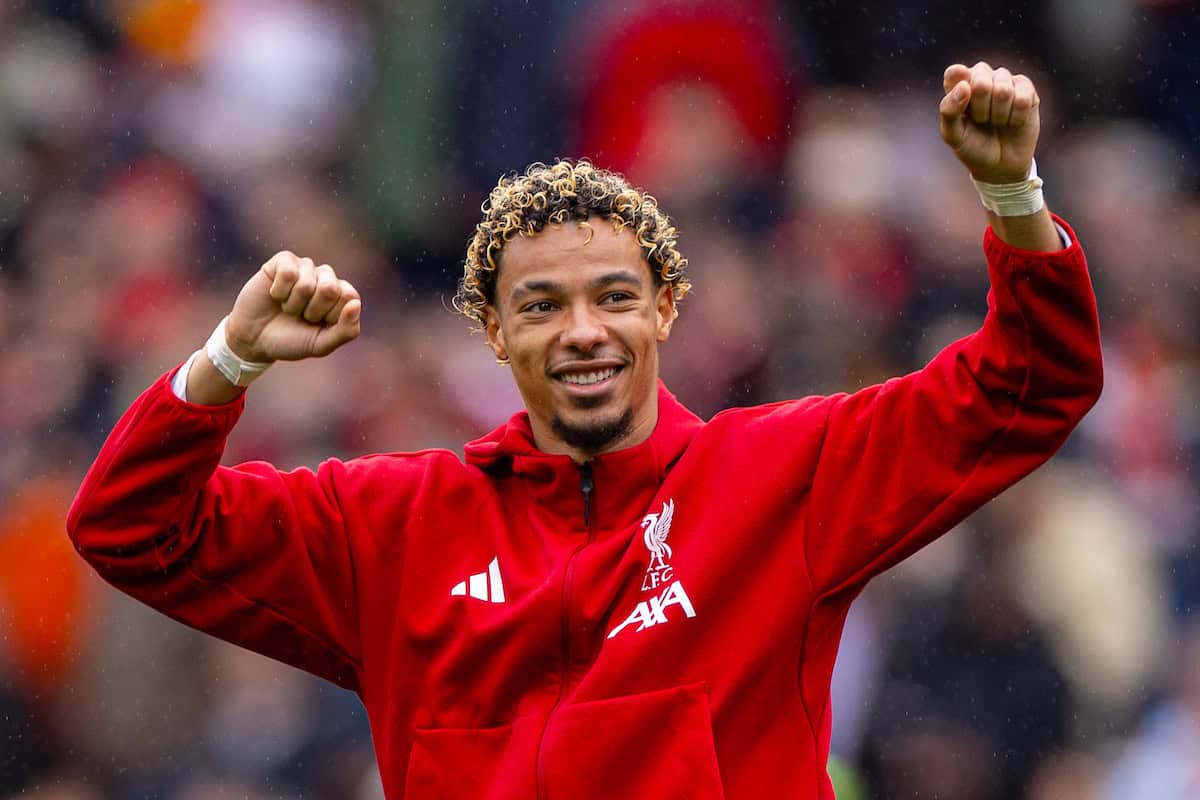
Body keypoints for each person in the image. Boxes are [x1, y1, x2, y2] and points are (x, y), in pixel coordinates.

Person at [68, 62, 1103, 799]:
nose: (582, 331)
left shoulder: (780, 470)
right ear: (493, 332)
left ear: (665, 309)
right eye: (540, 305)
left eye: (614, 296)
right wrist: (229, 360)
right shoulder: (389, 522)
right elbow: (129, 526)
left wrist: (1011, 193)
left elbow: (1032, 383)